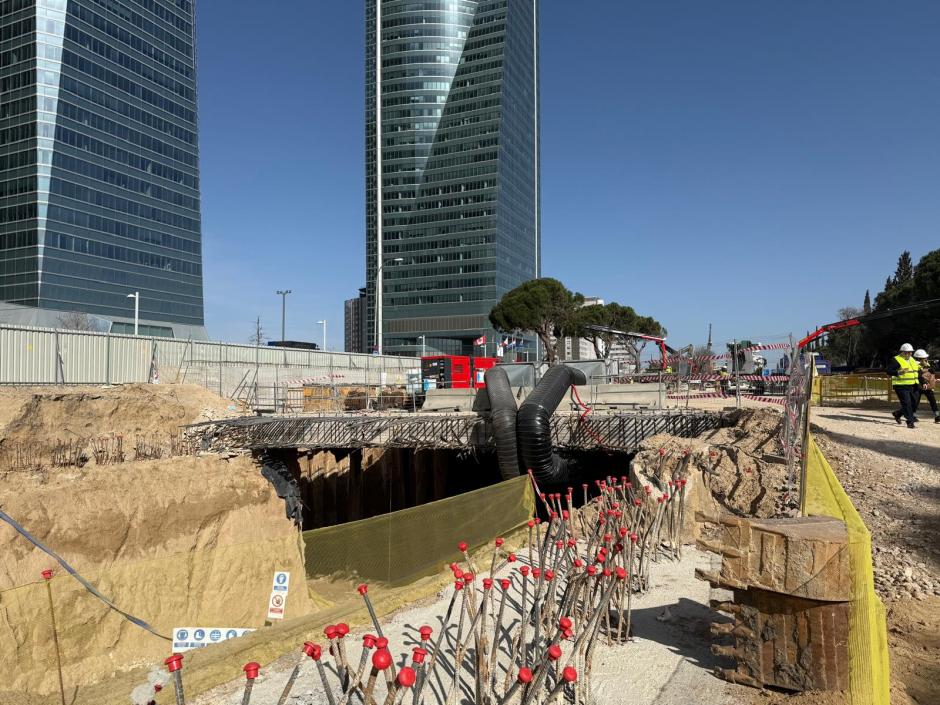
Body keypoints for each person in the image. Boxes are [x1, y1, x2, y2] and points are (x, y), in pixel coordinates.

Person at [887, 343, 919, 428]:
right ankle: (910, 422)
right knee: (907, 403)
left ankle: (898, 414)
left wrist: (924, 382)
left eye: (910, 352)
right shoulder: (896, 359)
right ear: (902, 352)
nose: (909, 354)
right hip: (901, 386)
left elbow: (916, 372)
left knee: (914, 403)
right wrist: (898, 372)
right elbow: (888, 371)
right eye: (907, 352)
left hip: (913, 385)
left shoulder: (912, 359)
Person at [912, 349, 939, 423]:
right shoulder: (915, 365)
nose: (926, 359)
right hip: (918, 386)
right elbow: (919, 376)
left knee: (932, 400)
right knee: (915, 401)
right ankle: (912, 415)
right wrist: (924, 383)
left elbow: (931, 374)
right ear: (920, 358)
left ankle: (937, 415)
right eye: (925, 358)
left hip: (927, 386)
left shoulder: (926, 364)